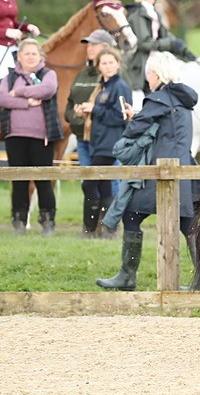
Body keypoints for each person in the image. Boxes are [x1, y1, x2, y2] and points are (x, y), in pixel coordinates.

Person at [97, 51, 200, 291]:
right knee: (187, 222)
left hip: (163, 170)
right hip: (182, 168)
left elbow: (135, 130)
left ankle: (127, 277)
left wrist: (131, 118)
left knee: (131, 214)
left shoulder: (158, 99)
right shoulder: (180, 98)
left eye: (149, 74)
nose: (147, 79)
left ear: (156, 74)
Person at [0, 38, 62, 234]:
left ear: (40, 56)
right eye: (26, 53)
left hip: (41, 137)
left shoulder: (48, 74)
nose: (30, 57)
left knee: (43, 180)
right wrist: (26, 102)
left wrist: (19, 92)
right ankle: (18, 221)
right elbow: (2, 98)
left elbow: (47, 90)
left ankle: (48, 221)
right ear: (19, 56)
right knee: (19, 180)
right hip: (15, 136)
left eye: (34, 53)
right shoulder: (8, 78)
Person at [65, 29, 120, 235]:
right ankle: (90, 227)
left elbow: (114, 110)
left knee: (109, 182)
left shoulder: (111, 79)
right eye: (88, 45)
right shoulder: (81, 74)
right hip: (82, 137)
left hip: (104, 140)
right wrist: (75, 115)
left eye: (94, 45)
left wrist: (91, 110)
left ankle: (109, 227)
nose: (90, 48)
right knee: (88, 182)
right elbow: (69, 104)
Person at [74, 46, 132, 239]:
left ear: (118, 64)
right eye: (103, 63)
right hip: (98, 142)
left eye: (110, 62)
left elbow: (120, 117)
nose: (107, 66)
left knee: (91, 183)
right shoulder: (103, 86)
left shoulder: (120, 87)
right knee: (104, 184)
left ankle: (90, 229)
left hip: (111, 143)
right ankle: (106, 230)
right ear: (98, 66)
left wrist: (95, 109)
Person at [125, 0, 194, 102]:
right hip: (143, 62)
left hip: (155, 57)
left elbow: (165, 34)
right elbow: (144, 43)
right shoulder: (138, 14)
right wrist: (169, 43)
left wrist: (180, 47)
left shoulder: (153, 11)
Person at [0, 0, 41, 78]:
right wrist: (6, 32)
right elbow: (8, 29)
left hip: (12, 46)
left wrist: (27, 27)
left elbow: (13, 22)